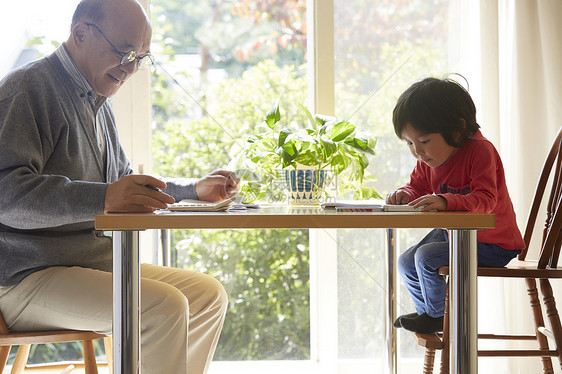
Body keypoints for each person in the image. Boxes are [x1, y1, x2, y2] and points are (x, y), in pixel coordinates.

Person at [0, 0, 239, 373]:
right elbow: (7, 196)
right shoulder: (26, 91)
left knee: (208, 296)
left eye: (140, 57)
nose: (131, 69)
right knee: (163, 307)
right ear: (80, 33)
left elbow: (123, 186)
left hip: (91, 267)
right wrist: (106, 196)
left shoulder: (97, 100)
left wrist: (193, 190)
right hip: (25, 278)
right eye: (125, 52)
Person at [387, 76, 525, 334]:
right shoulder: (428, 160)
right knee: (406, 261)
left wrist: (444, 201)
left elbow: (486, 200)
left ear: (457, 129)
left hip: (494, 242)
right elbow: (416, 185)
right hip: (457, 233)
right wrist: (404, 194)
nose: (417, 152)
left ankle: (437, 316)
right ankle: (431, 314)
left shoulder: (480, 151)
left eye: (424, 141)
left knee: (425, 257)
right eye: (409, 144)